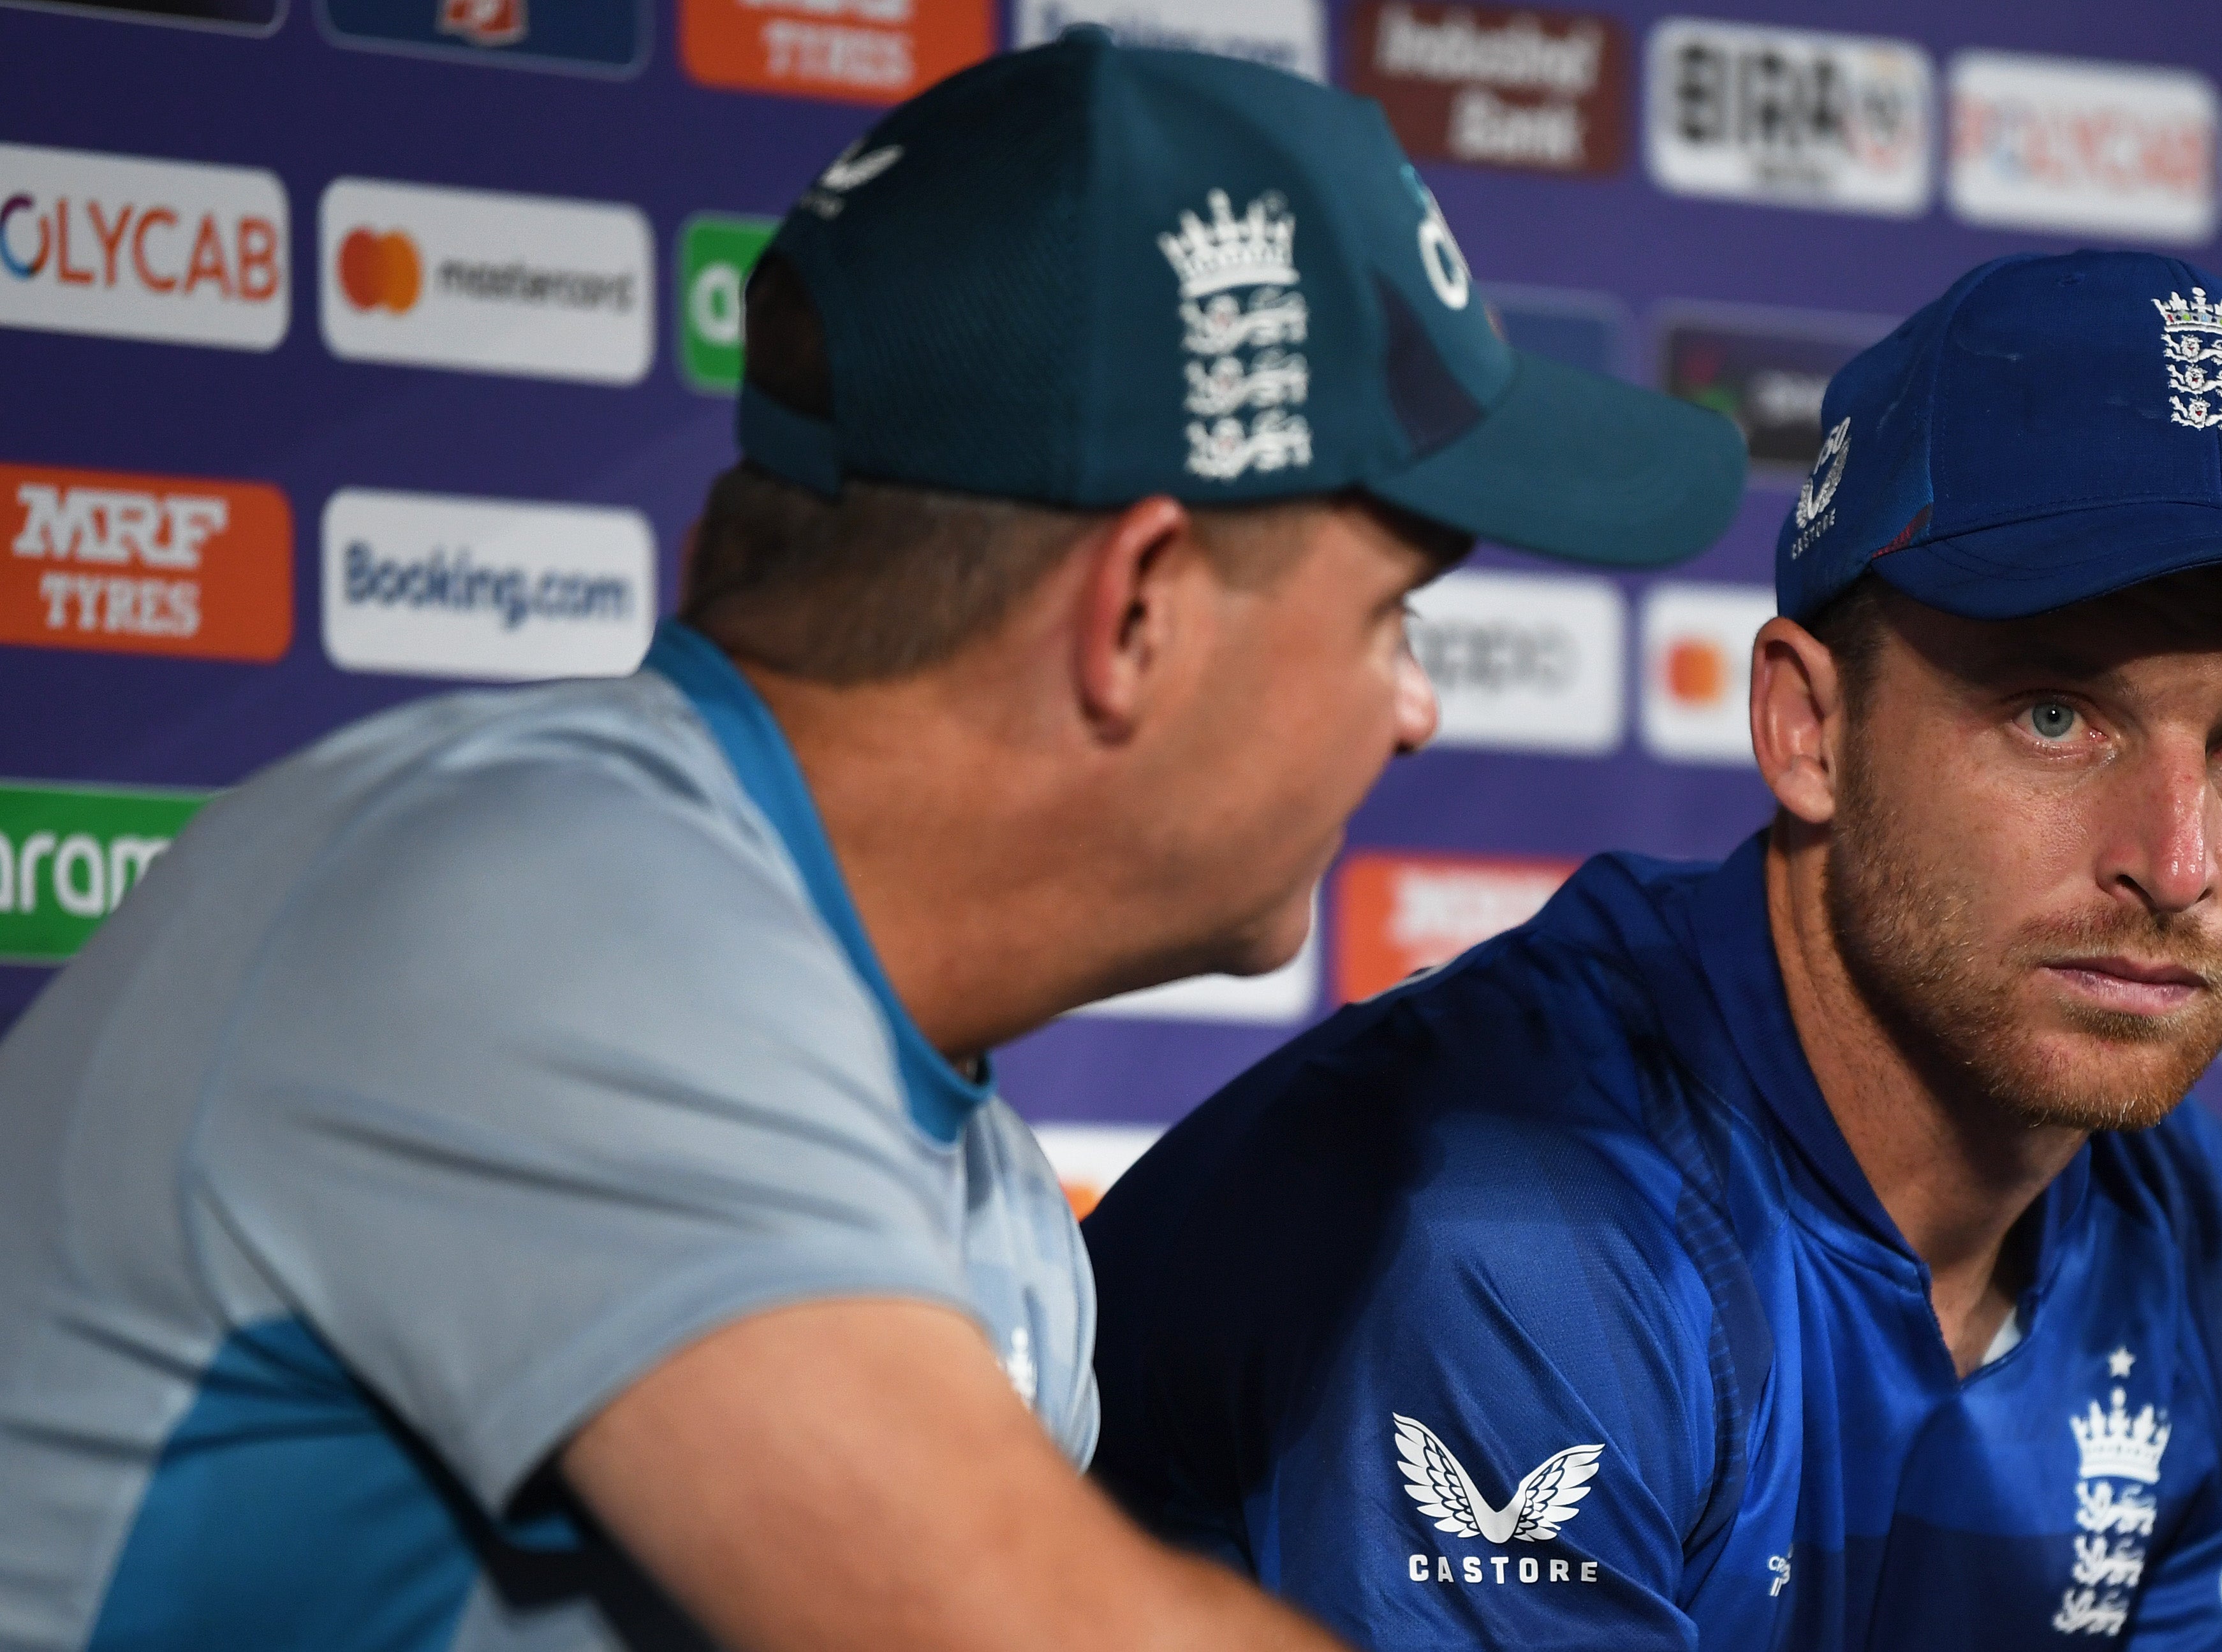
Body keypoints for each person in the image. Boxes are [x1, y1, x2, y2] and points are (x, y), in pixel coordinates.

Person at [0, 31, 1744, 1652]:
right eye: (1391, 615)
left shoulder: (988, 1207)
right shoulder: (556, 909)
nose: (1418, 711)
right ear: (1135, 612)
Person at [1085, 249, 2222, 1651]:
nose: (2175, 864)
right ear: (1808, 728)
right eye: (2055, 717)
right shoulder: (1517, 1230)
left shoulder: (2205, 1247)